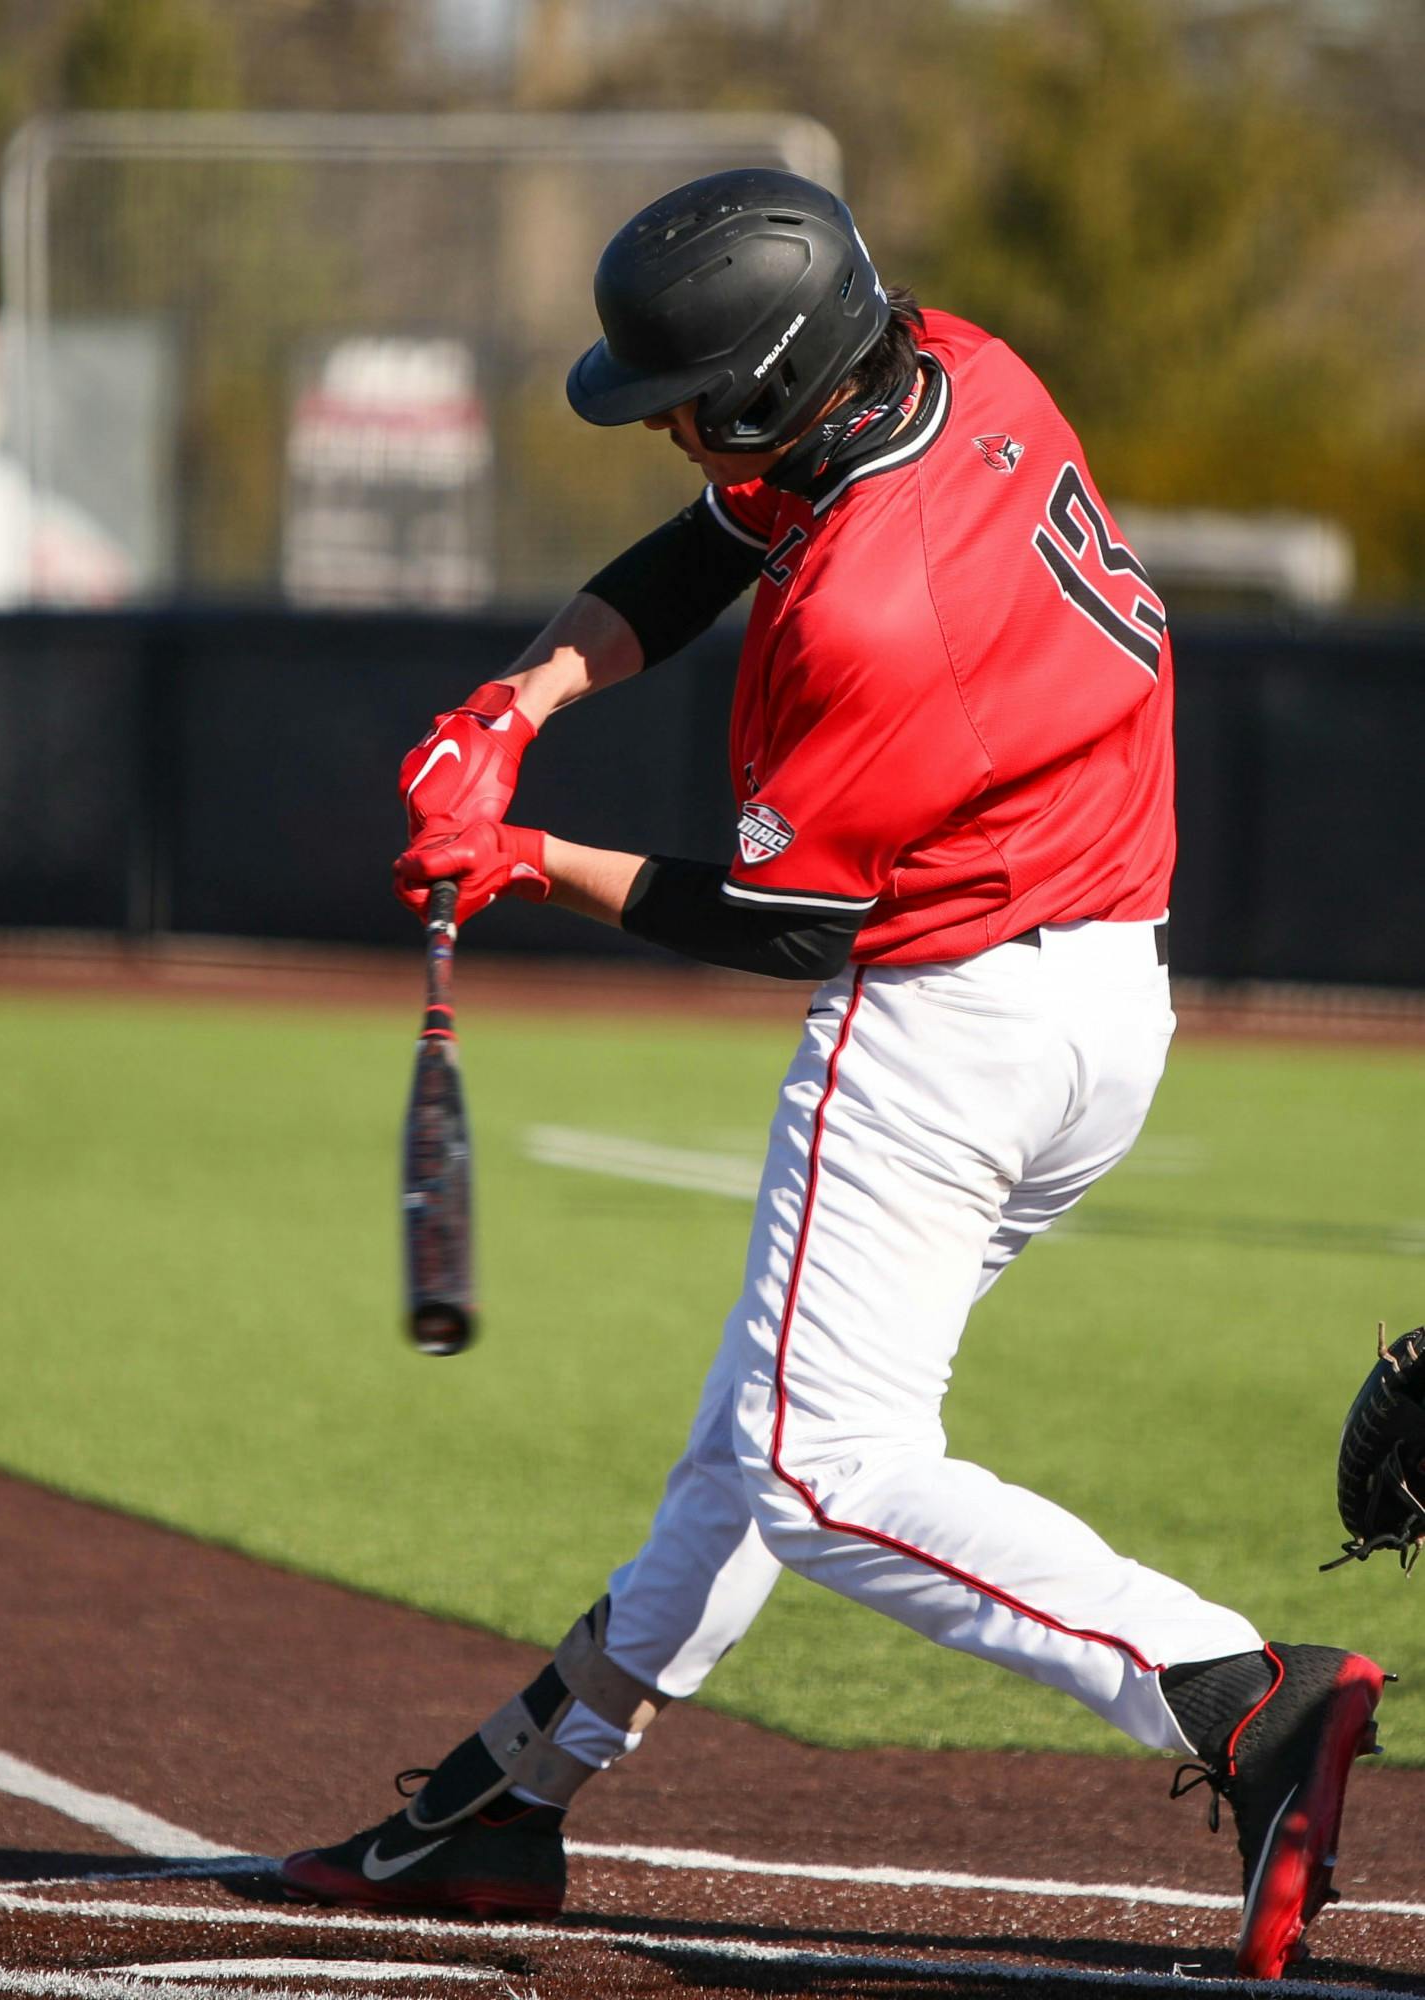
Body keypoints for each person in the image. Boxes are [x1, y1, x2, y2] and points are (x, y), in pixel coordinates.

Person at [280, 168, 1386, 1980]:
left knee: (820, 1464)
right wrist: (522, 695)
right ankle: (514, 1800)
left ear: (775, 385)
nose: (674, 436)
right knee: (760, 1428)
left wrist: (524, 858)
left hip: (944, 1026)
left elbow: (789, 926)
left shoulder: (869, 611)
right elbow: (726, 530)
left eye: (693, 404)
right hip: (1106, 1009)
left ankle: (1233, 1695)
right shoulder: (957, 363)